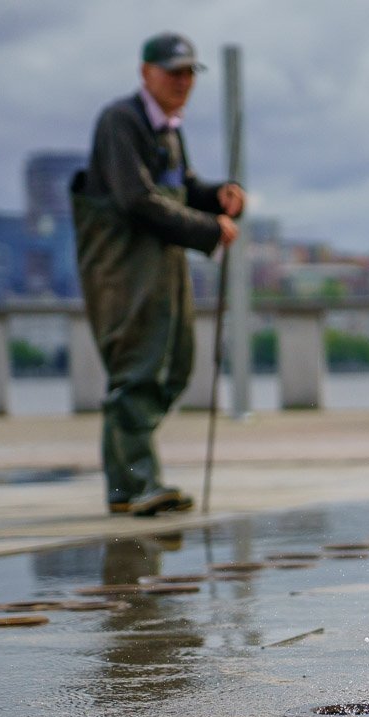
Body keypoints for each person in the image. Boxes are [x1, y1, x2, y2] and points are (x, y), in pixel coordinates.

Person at [71, 32, 246, 516]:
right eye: (174, 72)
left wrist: (219, 196)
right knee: (137, 372)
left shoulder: (168, 129)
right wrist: (210, 229)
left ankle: (135, 481)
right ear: (146, 72)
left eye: (190, 72)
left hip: (164, 268)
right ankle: (133, 483)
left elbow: (181, 187)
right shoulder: (119, 122)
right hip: (124, 271)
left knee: (176, 368)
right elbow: (136, 199)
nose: (183, 81)